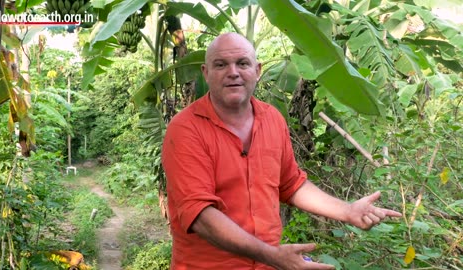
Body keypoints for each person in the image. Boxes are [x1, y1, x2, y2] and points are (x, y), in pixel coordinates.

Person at [161, 32, 402, 270]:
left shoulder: (272, 119)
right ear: (206, 72)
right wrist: (273, 256)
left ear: (257, 70)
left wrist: (347, 211)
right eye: (221, 64)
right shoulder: (186, 129)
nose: (232, 72)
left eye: (242, 63)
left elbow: (291, 184)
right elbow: (200, 216)